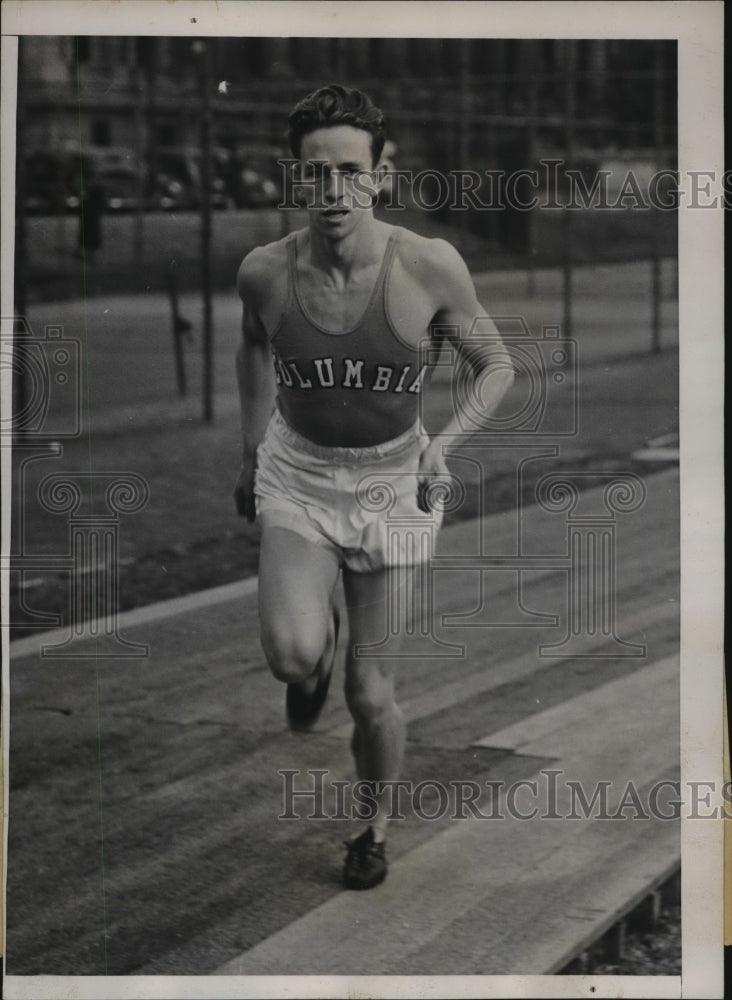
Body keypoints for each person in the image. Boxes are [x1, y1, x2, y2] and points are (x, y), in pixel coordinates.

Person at [234, 84, 514, 890]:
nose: (333, 193)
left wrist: (444, 449)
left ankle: (372, 826)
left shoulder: (427, 265)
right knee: (292, 657)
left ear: (381, 175)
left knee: (371, 690)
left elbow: (496, 364)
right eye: (315, 175)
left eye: (350, 173)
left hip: (395, 479)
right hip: (300, 474)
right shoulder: (264, 272)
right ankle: (311, 658)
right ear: (296, 179)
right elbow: (252, 349)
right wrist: (250, 452)